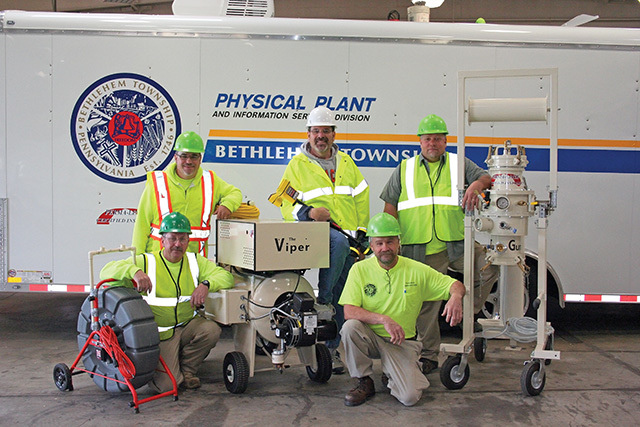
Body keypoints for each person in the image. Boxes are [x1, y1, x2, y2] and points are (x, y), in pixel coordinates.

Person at [380, 114, 499, 375]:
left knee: (490, 266)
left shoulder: (458, 164)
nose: (432, 143)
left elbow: (486, 177)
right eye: (427, 139)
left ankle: (465, 312)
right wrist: (389, 242)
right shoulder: (405, 168)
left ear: (445, 141)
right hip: (421, 248)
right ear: (420, 142)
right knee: (427, 305)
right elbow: (390, 207)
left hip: (456, 243)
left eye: (437, 138)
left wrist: (476, 186)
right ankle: (430, 355)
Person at [278, 106, 370, 374]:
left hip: (348, 236)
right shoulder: (297, 165)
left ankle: (332, 349)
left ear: (333, 134)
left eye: (326, 131)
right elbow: (284, 202)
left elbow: (362, 196)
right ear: (308, 134)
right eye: (316, 131)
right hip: (317, 233)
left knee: (346, 294)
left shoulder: (347, 163)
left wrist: (361, 231)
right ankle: (324, 298)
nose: (321, 136)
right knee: (337, 249)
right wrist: (309, 213)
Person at [339, 213, 464, 407]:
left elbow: (455, 285)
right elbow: (349, 311)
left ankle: (395, 373)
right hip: (370, 337)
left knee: (409, 397)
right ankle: (364, 380)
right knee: (350, 327)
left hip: (401, 341)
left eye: (390, 242)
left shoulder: (416, 270)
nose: (385, 248)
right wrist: (383, 320)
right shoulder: (360, 270)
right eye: (379, 243)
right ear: (372, 246)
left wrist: (456, 297)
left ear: (399, 243)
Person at [101, 212, 234, 393]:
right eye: (172, 238)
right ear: (162, 240)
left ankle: (187, 371)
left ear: (188, 241)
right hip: (160, 335)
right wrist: (134, 272)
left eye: (182, 239)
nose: (177, 244)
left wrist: (206, 284)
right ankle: (165, 365)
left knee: (210, 330)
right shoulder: (147, 261)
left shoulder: (195, 261)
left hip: (186, 325)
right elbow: (105, 271)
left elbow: (226, 277)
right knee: (167, 386)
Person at [132, 131, 242, 258]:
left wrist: (227, 205)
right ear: (176, 157)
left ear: (200, 159)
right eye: (184, 156)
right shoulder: (157, 183)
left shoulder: (210, 181)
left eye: (194, 156)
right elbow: (142, 225)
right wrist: (137, 260)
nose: (188, 161)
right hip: (160, 260)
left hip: (195, 261)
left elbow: (235, 193)